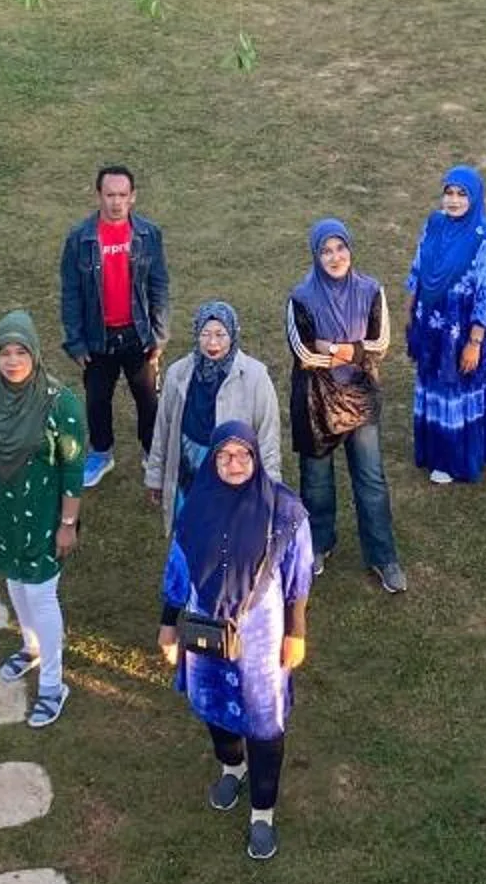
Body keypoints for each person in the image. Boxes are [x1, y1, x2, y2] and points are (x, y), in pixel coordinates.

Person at [157, 421, 316, 862]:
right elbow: (178, 570)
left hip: (261, 637)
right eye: (224, 456)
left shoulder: (284, 511)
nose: (234, 464)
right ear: (213, 459)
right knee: (212, 705)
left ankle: (262, 813)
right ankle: (232, 766)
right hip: (205, 631)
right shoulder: (194, 504)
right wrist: (168, 625)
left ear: (256, 457)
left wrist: (296, 634)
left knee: (264, 721)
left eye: (242, 455)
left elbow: (297, 582)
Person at [0, 309, 90, 727]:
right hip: (0, 511)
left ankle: (53, 685)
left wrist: (68, 524)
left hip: (43, 516)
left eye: (21, 352)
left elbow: (73, 469)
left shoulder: (60, 402)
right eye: (5, 352)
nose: (13, 361)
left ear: (34, 353)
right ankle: (31, 646)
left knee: (40, 593)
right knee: (14, 581)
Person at [285, 218, 406, 594]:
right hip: (315, 400)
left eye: (341, 249)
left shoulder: (371, 290)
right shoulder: (300, 297)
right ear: (315, 255)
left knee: (370, 479)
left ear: (350, 250)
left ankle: (383, 556)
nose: (335, 257)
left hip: (360, 396)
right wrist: (348, 352)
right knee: (317, 481)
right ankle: (319, 543)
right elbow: (303, 353)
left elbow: (380, 344)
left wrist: (335, 348)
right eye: (326, 251)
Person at [58, 164, 170, 492]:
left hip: (139, 334)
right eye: (110, 195)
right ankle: (101, 453)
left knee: (148, 399)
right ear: (98, 196)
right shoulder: (79, 239)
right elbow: (71, 293)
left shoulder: (148, 235)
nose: (116, 202)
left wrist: (160, 336)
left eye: (123, 195)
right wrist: (76, 342)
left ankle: (154, 455)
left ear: (133, 197)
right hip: (98, 338)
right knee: (96, 399)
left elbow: (159, 286)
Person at [405, 166, 486, 486]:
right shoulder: (434, 223)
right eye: (449, 193)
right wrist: (410, 312)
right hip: (430, 321)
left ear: (475, 199)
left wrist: (475, 342)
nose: (454, 200)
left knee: (456, 384)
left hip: (460, 328)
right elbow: (419, 269)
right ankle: (433, 452)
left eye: (462, 194)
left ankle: (455, 459)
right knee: (432, 380)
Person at [148, 300, 285, 528]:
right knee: (188, 533)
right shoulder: (178, 373)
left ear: (233, 334)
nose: (213, 343)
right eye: (205, 334)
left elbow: (268, 437)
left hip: (233, 469)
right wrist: (155, 476)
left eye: (221, 334)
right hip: (188, 468)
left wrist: (270, 489)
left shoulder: (256, 376)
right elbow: (163, 429)